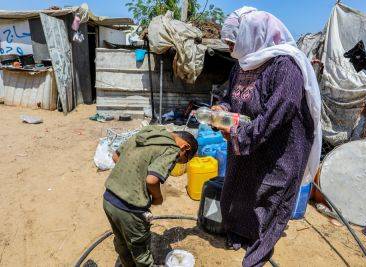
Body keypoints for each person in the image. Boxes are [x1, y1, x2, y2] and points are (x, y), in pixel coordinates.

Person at [211, 7, 322, 267]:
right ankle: (239, 234)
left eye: (231, 42)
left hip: (280, 150)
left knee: (269, 201)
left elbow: (278, 115)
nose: (229, 48)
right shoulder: (241, 65)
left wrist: (238, 133)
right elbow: (230, 98)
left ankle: (257, 255)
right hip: (248, 143)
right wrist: (221, 110)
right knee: (239, 192)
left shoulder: (286, 66)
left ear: (251, 35)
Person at [103, 125, 198, 267]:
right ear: (185, 147)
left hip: (109, 198)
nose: (177, 162)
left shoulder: (147, 133)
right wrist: (158, 198)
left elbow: (116, 157)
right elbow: (151, 180)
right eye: (180, 160)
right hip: (130, 209)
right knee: (141, 253)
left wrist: (133, 178)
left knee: (121, 242)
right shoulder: (172, 149)